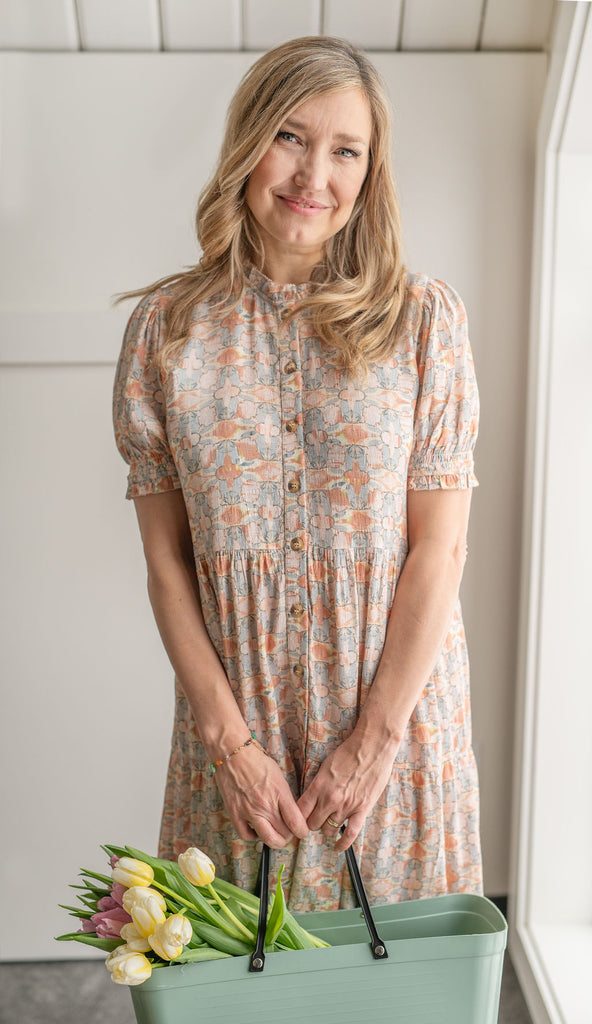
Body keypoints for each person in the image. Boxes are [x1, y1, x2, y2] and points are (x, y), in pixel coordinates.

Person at [113, 35, 482, 912]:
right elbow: (168, 565)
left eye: (345, 150)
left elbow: (443, 548)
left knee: (399, 993)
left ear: (369, 170)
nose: (314, 173)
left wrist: (376, 741)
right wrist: (229, 746)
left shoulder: (423, 322)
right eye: (290, 135)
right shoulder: (167, 331)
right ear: (248, 142)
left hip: (396, 738)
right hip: (238, 748)